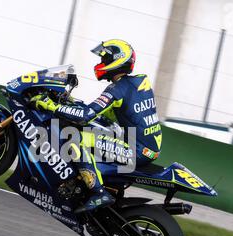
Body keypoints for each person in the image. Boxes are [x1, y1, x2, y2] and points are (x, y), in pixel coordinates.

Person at [31, 39, 162, 213]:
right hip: (142, 144)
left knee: (74, 137)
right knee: (93, 128)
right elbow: (99, 112)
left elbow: (86, 116)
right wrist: (70, 103)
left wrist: (52, 106)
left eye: (104, 59)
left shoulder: (117, 89)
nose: (101, 63)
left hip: (136, 149)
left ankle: (98, 192)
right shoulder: (137, 83)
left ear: (117, 60)